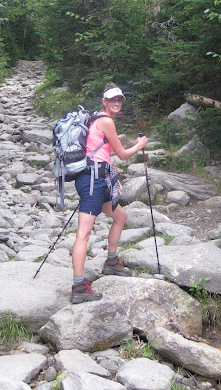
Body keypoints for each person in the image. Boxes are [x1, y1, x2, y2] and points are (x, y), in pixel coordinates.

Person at [70, 84, 149, 304]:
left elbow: (106, 153)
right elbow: (123, 154)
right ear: (104, 101)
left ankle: (111, 262)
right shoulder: (106, 121)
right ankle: (78, 286)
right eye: (112, 99)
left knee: (120, 217)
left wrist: (113, 179)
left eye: (120, 100)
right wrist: (140, 144)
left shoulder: (96, 118)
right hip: (91, 182)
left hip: (98, 179)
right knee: (83, 234)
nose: (117, 103)